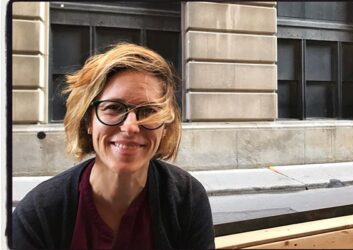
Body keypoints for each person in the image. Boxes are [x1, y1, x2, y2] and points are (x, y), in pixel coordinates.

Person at [12, 43, 215, 249]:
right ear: (88, 121)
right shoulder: (38, 213)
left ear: (164, 127)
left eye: (148, 111)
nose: (130, 127)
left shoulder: (187, 199)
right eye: (114, 108)